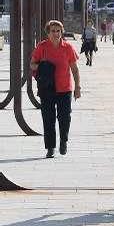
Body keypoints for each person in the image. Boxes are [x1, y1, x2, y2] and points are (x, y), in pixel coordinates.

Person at [31, 20, 81, 158]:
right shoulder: (42, 47)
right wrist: (43, 66)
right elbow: (32, 65)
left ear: (61, 32)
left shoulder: (68, 47)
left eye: (58, 31)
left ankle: (63, 140)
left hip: (65, 88)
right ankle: (50, 147)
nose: (56, 33)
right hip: (47, 89)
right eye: (53, 31)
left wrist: (77, 87)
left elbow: (75, 70)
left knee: (65, 118)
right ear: (48, 32)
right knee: (48, 118)